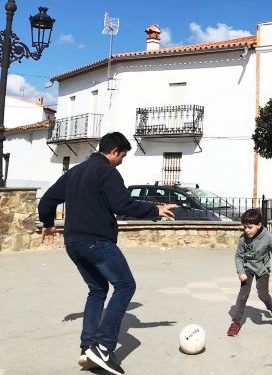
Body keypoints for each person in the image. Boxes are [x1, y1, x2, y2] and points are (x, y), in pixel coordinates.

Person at [38, 132, 178, 375]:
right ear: (114, 151)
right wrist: (155, 209)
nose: (121, 161)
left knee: (98, 290)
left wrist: (48, 224)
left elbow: (47, 200)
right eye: (122, 156)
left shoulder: (74, 172)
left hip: (74, 243)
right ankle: (103, 348)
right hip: (96, 242)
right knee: (125, 286)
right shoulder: (107, 171)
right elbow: (122, 204)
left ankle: (87, 349)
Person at [227, 208, 272, 336]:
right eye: (245, 227)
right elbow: (238, 256)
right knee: (243, 295)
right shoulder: (243, 239)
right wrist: (241, 271)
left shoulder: (268, 237)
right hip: (248, 267)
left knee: (263, 295)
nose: (246, 230)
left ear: (259, 225)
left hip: (263, 269)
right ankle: (236, 322)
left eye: (250, 227)